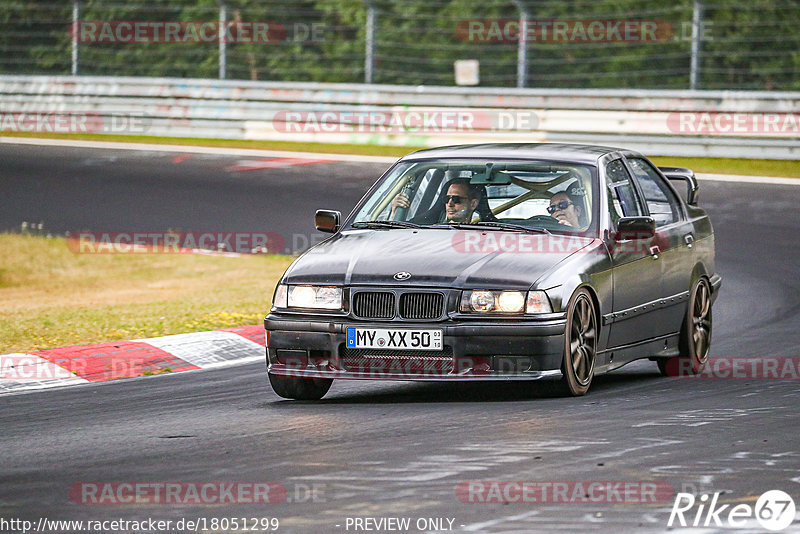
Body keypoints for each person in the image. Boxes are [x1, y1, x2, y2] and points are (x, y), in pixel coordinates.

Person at [391, 179, 481, 223]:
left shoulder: (485, 235)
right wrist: (395, 214)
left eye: (456, 199)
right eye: (446, 199)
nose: (449, 204)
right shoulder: (426, 229)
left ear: (473, 204)